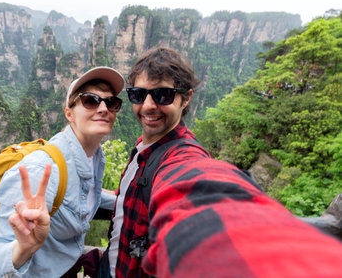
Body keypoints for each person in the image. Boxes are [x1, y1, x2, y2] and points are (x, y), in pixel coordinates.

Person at [103, 47, 342, 277]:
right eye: (138, 94)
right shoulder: (143, 148)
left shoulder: (182, 156)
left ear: (185, 99)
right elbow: (130, 200)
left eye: (162, 95)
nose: (147, 105)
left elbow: (196, 184)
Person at [0, 66, 125, 277]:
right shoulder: (40, 169)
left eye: (111, 102)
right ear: (69, 113)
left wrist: (128, 198)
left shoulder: (95, 158)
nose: (103, 108)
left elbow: (86, 195)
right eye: (90, 100)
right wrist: (24, 248)